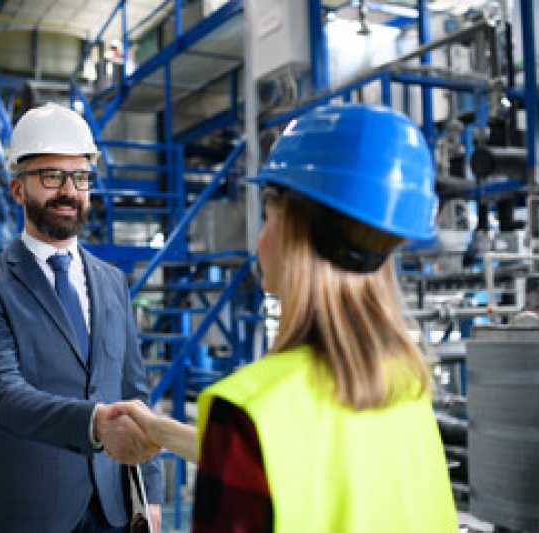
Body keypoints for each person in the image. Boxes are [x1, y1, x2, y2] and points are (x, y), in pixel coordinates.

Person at [110, 105, 457, 532]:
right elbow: (302, 460)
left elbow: (267, 451)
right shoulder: (406, 384)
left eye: (269, 217)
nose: (259, 238)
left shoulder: (248, 409)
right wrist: (162, 432)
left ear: (294, 230)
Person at [0, 102, 162, 533]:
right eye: (51, 176)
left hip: (112, 508)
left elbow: (134, 391)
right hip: (30, 510)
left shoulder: (112, 282)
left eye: (81, 177)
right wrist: (93, 424)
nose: (69, 190)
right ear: (18, 189)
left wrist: (151, 495)